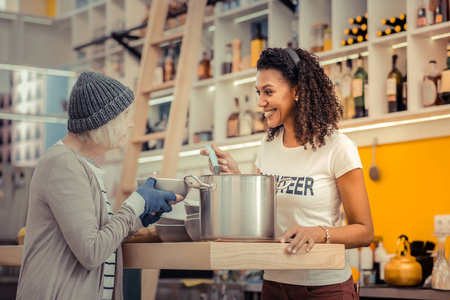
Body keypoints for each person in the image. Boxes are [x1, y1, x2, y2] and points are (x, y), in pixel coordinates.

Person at [201, 47, 374, 299]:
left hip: (324, 289)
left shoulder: (338, 147)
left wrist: (318, 232)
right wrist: (236, 178)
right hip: (273, 286)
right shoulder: (267, 146)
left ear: (297, 90)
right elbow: (259, 222)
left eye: (268, 92)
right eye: (259, 92)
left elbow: (364, 231)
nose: (261, 102)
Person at [16, 71, 183, 300]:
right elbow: (91, 253)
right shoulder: (63, 164)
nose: (131, 123)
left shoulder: (82, 165)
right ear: (104, 121)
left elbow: (98, 241)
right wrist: (136, 203)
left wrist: (135, 220)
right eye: (125, 115)